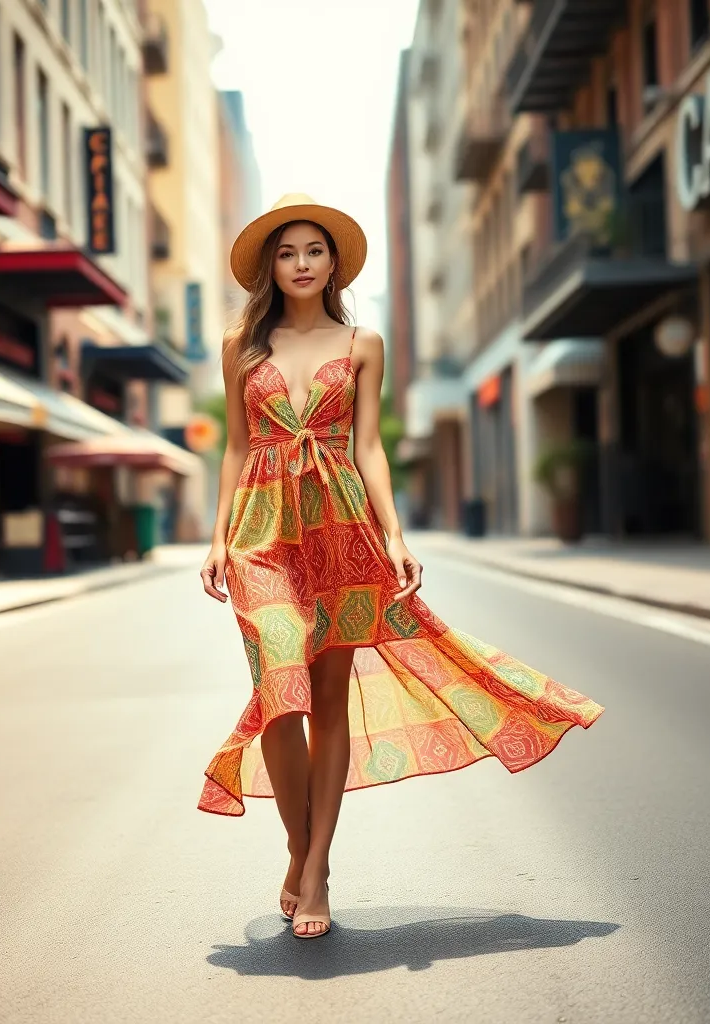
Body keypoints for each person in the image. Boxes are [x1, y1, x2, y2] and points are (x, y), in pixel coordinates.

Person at [198, 195, 604, 940]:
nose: (299, 264)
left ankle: (316, 866)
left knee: (326, 698)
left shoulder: (362, 342)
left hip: (342, 528)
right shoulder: (239, 346)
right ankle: (297, 842)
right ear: (269, 265)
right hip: (261, 529)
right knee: (278, 693)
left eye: (312, 251)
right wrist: (219, 537)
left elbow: (369, 447)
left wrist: (394, 535)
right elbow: (235, 447)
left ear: (332, 262)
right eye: (286, 253)